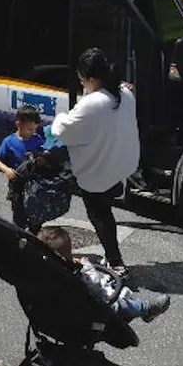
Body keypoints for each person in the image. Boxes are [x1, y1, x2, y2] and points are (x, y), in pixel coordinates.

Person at [49, 48, 140, 276]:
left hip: (98, 172)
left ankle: (116, 263)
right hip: (121, 164)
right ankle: (114, 258)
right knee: (105, 208)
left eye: (81, 79)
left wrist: (60, 116)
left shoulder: (91, 103)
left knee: (99, 215)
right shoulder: (124, 93)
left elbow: (62, 130)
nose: (81, 84)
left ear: (91, 79)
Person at [36, 226, 171, 323]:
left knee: (111, 283)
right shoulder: (75, 273)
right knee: (119, 305)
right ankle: (146, 309)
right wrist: (86, 265)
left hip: (51, 311)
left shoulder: (41, 270)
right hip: (91, 307)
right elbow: (94, 284)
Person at [0, 105, 45, 231]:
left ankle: (34, 236)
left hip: (35, 185)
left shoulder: (37, 139)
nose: (33, 132)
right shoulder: (9, 141)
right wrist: (6, 170)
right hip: (18, 184)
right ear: (18, 125)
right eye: (30, 129)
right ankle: (18, 235)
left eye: (35, 129)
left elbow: (45, 154)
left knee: (36, 217)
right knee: (19, 216)